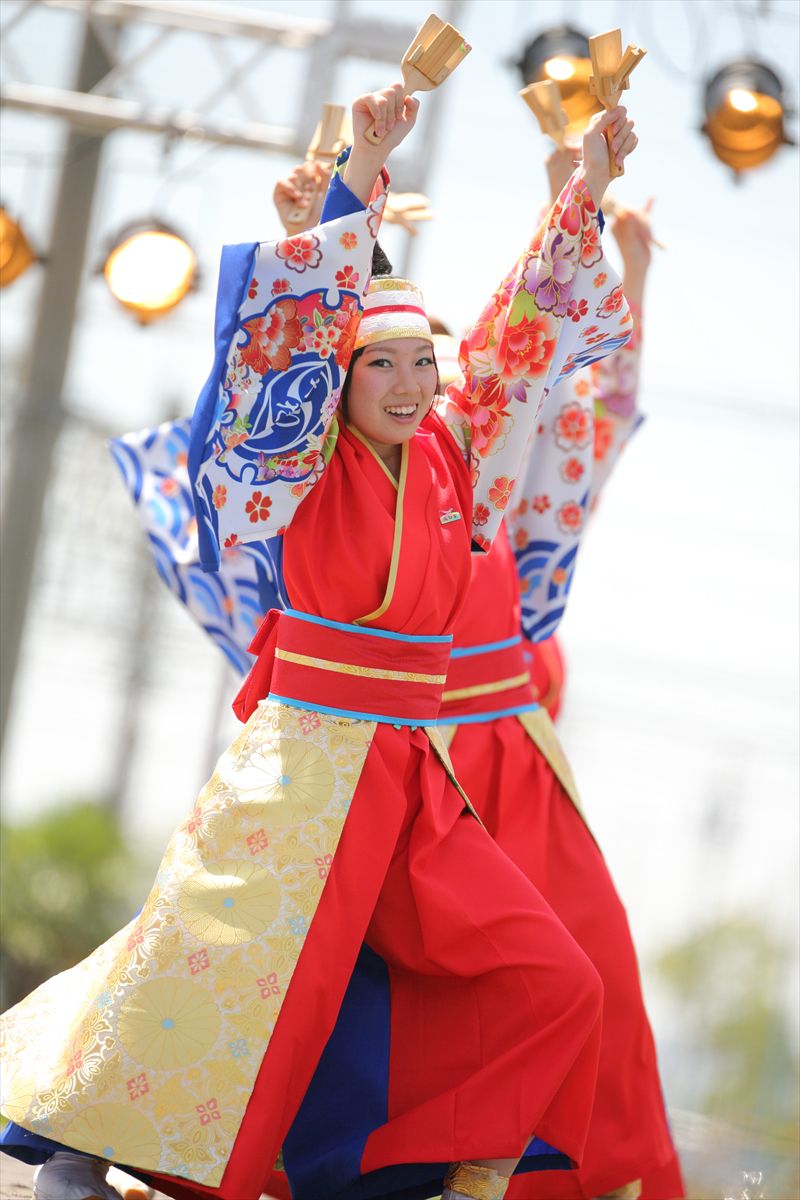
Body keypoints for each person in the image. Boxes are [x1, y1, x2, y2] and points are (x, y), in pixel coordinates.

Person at [1, 82, 637, 1200]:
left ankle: (429, 1175)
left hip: (413, 770)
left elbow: (520, 341)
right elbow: (284, 348)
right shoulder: (297, 467)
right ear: (331, 387)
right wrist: (355, 178)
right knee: (221, 963)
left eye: (418, 366)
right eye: (375, 366)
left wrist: (583, 186)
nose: (405, 384)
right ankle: (79, 1142)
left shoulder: (454, 459)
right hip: (303, 758)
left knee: (552, 978)